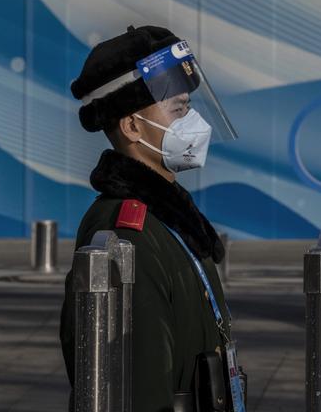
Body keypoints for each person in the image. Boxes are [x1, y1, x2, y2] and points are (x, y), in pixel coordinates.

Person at [59, 25, 244, 412]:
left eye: (189, 106)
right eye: (177, 109)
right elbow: (138, 382)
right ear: (131, 126)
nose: (192, 121)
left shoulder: (169, 217)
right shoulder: (128, 233)